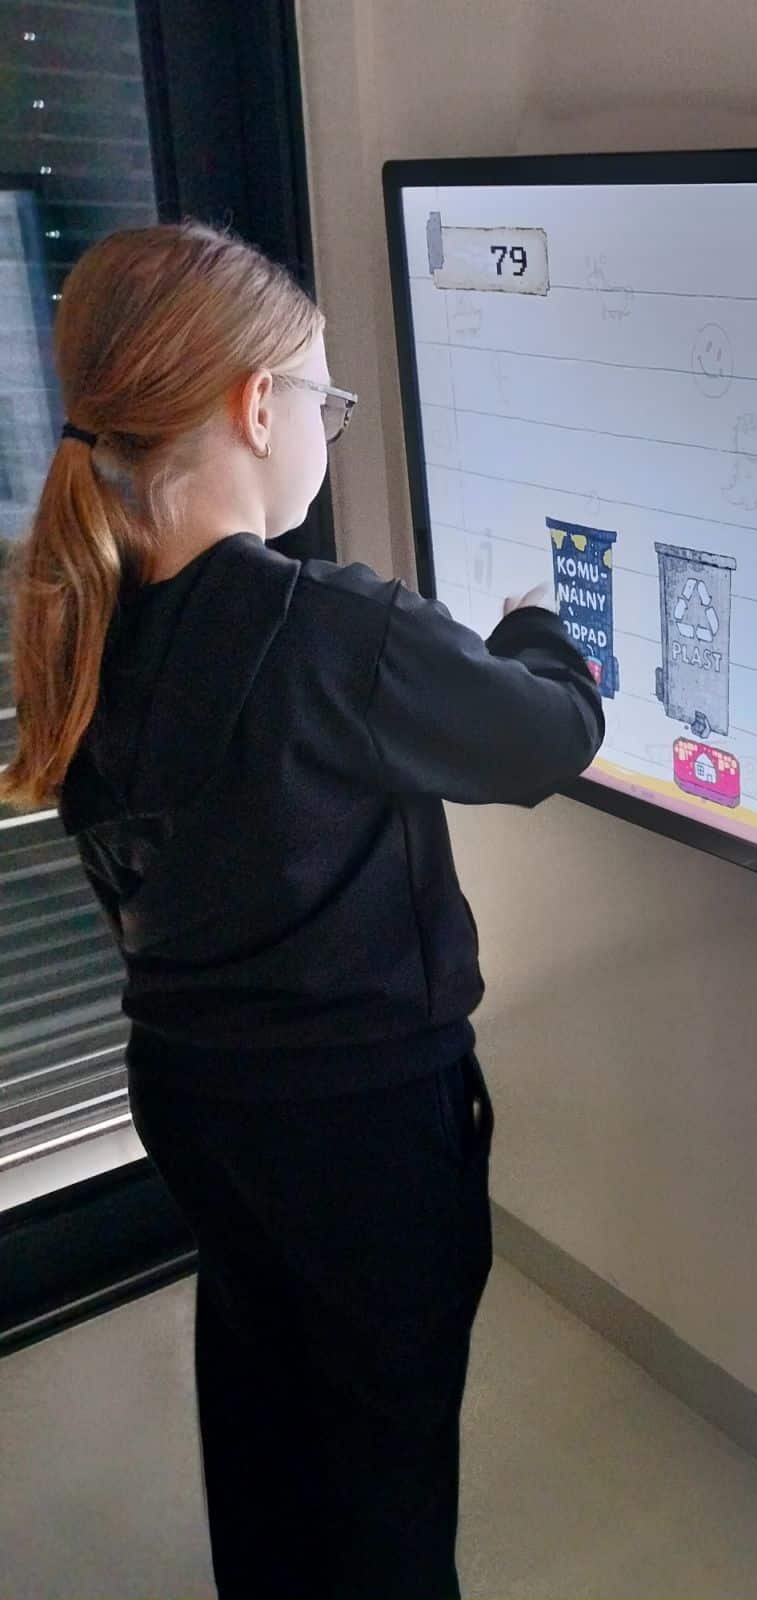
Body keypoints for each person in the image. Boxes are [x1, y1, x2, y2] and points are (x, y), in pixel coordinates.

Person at [0, 220, 605, 1598]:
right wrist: (536, 623)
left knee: (263, 1384)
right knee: (388, 1443)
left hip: (197, 1096)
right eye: (327, 402)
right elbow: (547, 736)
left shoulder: (86, 622)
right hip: (360, 1124)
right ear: (255, 406)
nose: (328, 432)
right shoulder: (331, 631)